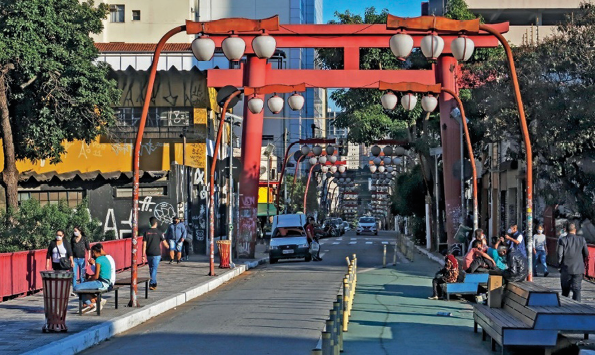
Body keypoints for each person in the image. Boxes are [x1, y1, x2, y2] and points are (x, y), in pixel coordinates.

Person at [73, 243, 112, 314]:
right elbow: (100, 273)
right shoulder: (105, 258)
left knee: (76, 288)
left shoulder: (98, 260)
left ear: (95, 252)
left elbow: (96, 276)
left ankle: (90, 304)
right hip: (106, 282)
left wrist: (88, 280)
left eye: (93, 253)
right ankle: (95, 300)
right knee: (83, 287)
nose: (93, 255)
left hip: (100, 283)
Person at [557, 223, 589, 302]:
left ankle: (565, 307)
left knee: (565, 290)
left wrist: (560, 264)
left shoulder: (563, 240)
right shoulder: (582, 240)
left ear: (566, 230)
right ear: (575, 230)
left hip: (566, 269)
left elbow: (559, 254)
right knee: (577, 289)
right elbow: (586, 253)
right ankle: (577, 307)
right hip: (578, 269)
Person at [143, 217, 168, 290]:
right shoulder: (160, 232)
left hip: (149, 253)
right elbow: (165, 244)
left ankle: (154, 283)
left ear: (150, 223)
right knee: (154, 268)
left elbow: (144, 245)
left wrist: (142, 255)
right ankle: (152, 283)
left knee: (151, 268)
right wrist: (169, 247)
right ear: (156, 223)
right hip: (156, 253)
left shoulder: (146, 232)